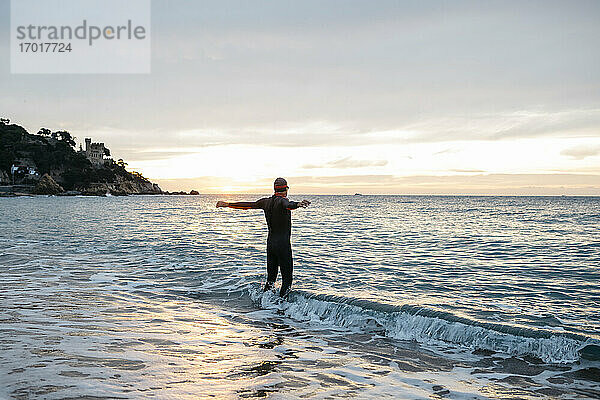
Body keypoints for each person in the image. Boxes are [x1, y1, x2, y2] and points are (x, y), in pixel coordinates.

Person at [216, 178, 310, 297]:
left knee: (271, 279)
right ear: (286, 189)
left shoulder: (265, 202)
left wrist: (228, 204)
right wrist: (298, 204)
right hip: (283, 246)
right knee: (287, 280)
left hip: (270, 245)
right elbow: (288, 205)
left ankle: (265, 304)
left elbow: (248, 205)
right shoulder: (282, 201)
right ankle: (281, 308)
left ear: (274, 189)